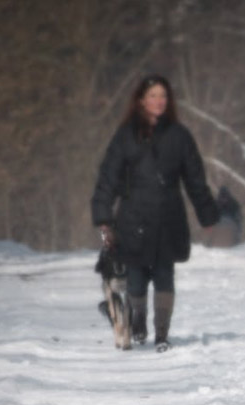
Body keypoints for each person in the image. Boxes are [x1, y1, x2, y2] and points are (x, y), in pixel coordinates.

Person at [91, 74, 220, 352]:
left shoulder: (179, 136)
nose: (158, 101)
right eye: (152, 96)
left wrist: (207, 215)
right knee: (135, 277)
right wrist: (103, 215)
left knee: (164, 275)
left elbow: (195, 179)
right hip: (132, 218)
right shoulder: (125, 136)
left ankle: (162, 333)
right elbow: (108, 177)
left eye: (163, 96)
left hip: (169, 217)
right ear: (140, 100)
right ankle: (137, 319)